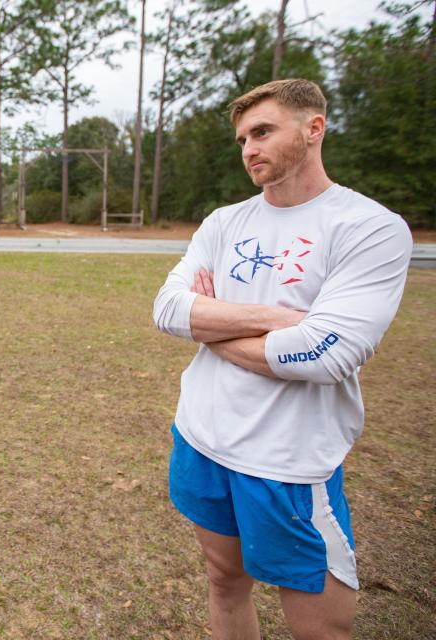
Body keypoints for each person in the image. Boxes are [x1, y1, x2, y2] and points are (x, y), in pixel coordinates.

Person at [152, 79, 412, 639]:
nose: (249, 148)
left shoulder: (369, 228)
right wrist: (280, 318)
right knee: (224, 581)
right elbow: (169, 309)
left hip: (288, 462)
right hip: (202, 437)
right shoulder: (225, 222)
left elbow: (326, 353)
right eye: (243, 137)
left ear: (313, 128)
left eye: (263, 131)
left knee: (320, 629)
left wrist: (214, 323)